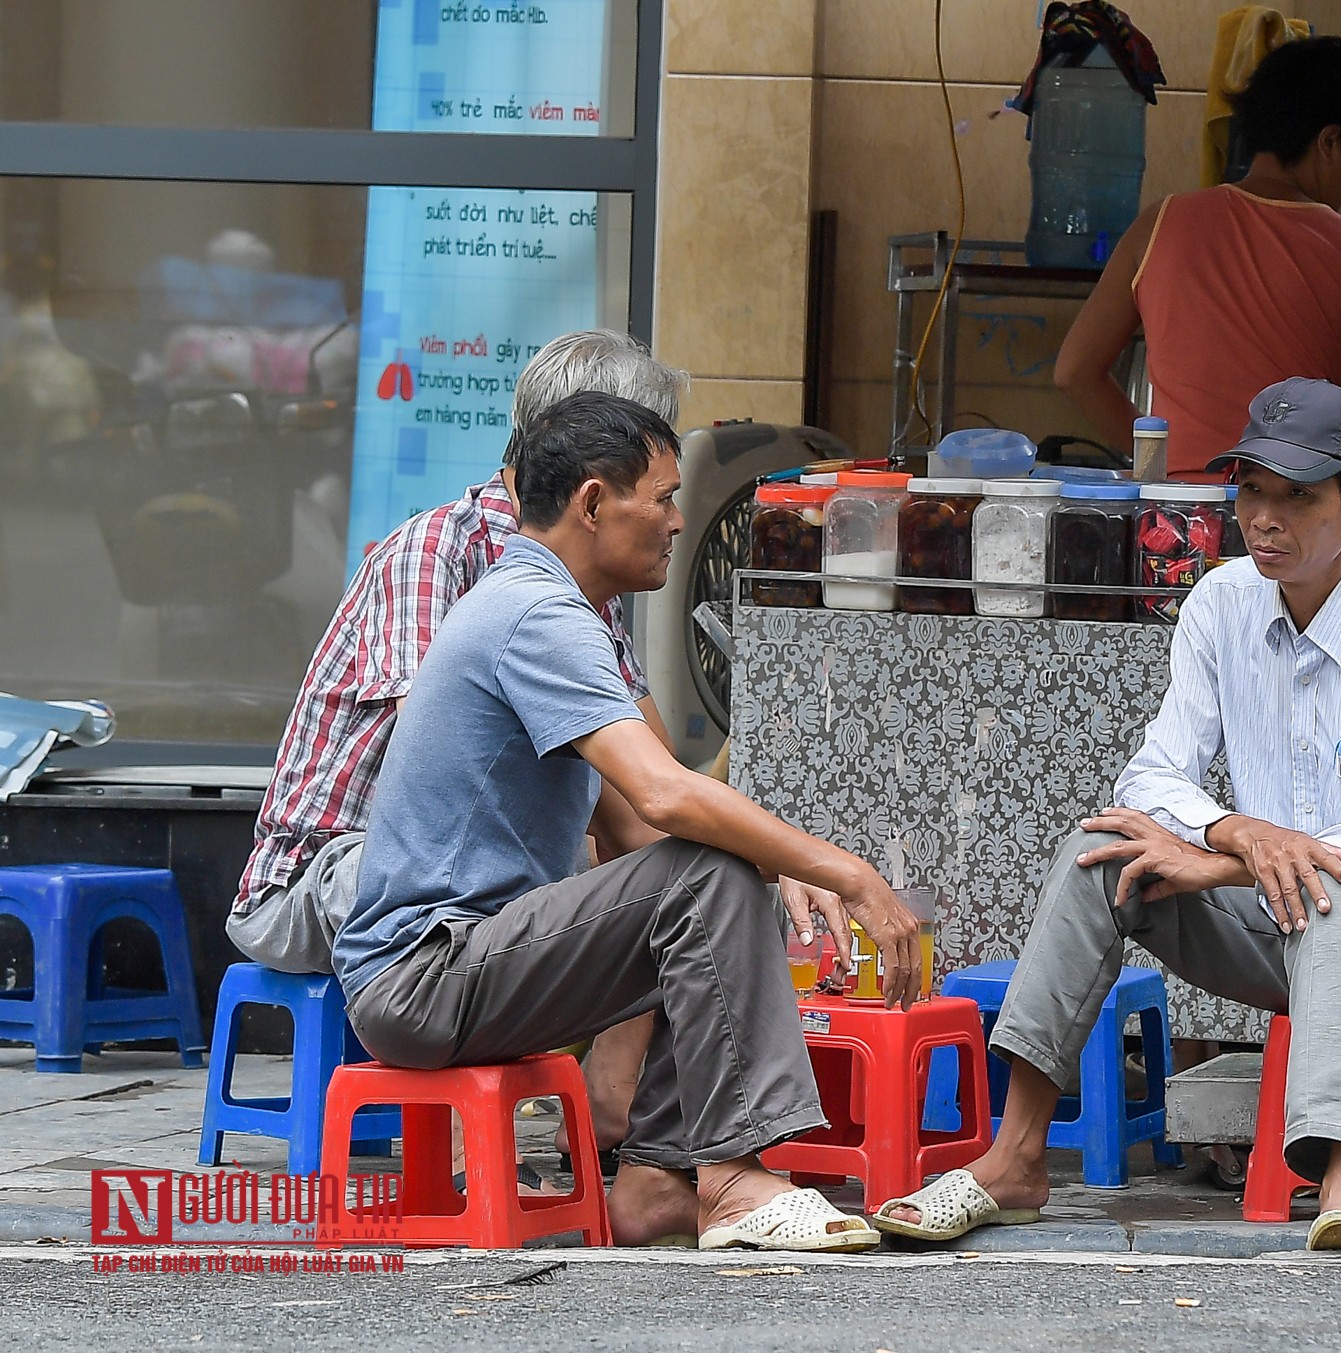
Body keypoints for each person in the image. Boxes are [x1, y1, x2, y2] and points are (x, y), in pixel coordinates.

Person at [872, 377, 1341, 1251]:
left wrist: (1238, 862)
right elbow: (1153, 776)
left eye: (1297, 496)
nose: (1266, 518)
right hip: (1283, 919)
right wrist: (1233, 834)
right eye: (1252, 489)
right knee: (1104, 850)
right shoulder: (1219, 605)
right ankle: (1016, 1154)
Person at [334, 391, 922, 1253]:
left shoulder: (551, 608)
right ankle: (731, 1176)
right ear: (594, 502)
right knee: (710, 869)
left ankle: (656, 1183)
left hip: (464, 963)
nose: (680, 522)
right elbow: (666, 796)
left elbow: (641, 833)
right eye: (663, 497)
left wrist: (773, 863)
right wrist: (848, 870)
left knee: (722, 869)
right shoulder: (536, 612)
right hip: (423, 973)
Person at [227, 329, 684, 1159]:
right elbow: (445, 780)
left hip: (465, 857)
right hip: (333, 866)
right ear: (583, 464)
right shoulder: (435, 550)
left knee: (658, 868)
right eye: (648, 471)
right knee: (553, 867)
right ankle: (495, 1131)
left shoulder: (591, 576)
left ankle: (622, 1114)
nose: (670, 507)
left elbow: (648, 772)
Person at [1053, 35, 1341, 476]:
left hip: (1174, 521)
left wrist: (1160, 464)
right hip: (1294, 524)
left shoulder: (1160, 223)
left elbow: (1074, 372)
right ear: (1331, 142)